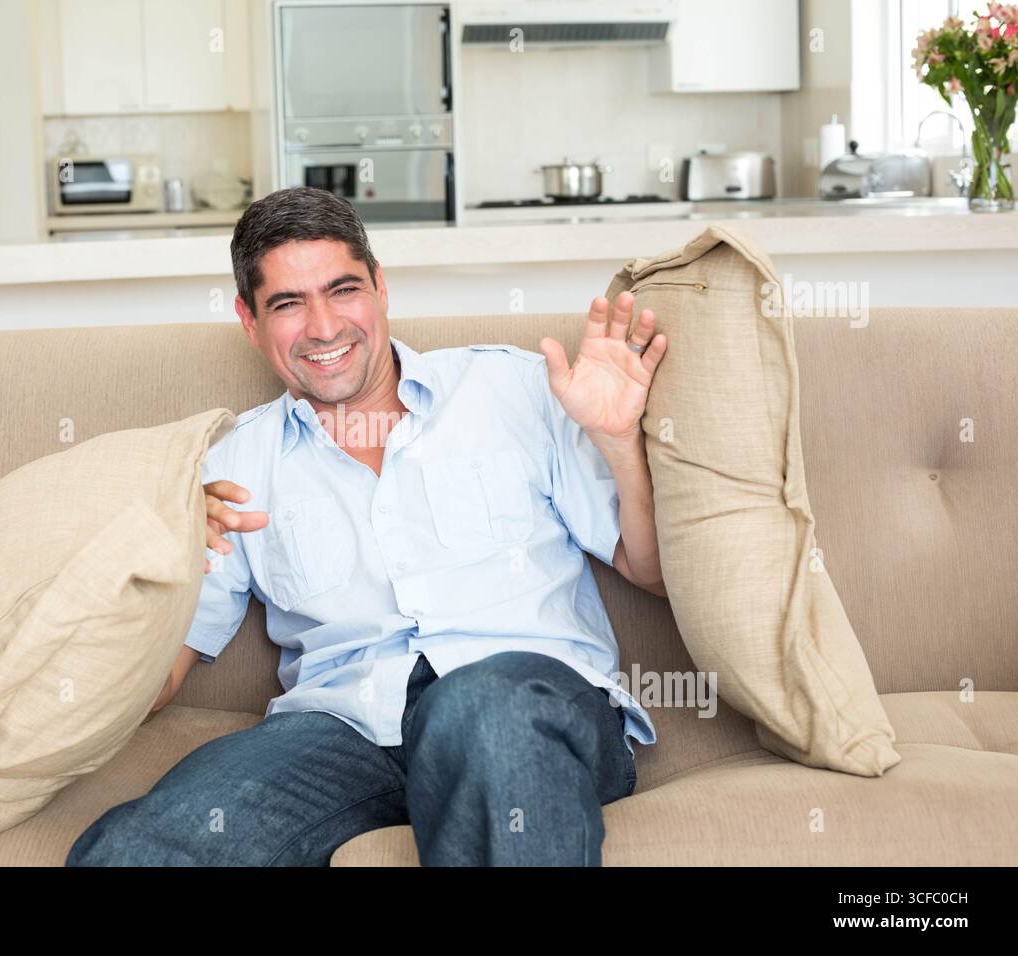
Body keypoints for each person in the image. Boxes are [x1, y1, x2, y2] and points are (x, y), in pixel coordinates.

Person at [67, 186, 668, 867]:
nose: (323, 328)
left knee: (479, 709)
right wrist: (151, 558)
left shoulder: (513, 390)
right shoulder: (234, 465)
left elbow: (649, 570)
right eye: (288, 304)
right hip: (344, 735)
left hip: (526, 716)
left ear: (380, 287)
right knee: (135, 849)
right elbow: (154, 685)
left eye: (343, 290)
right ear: (249, 320)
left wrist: (619, 443)